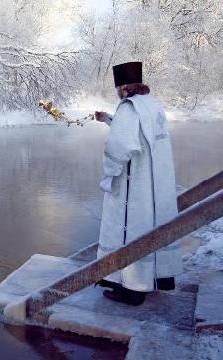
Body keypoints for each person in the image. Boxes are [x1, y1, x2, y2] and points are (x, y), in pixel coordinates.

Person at [94, 61, 183, 306]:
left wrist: (109, 173)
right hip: (155, 184)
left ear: (123, 87)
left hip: (135, 187)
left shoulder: (129, 107)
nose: (117, 93)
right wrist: (110, 119)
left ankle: (132, 289)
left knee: (130, 231)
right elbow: (138, 133)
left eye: (117, 88)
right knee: (151, 227)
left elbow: (121, 145)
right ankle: (156, 278)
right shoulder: (151, 105)